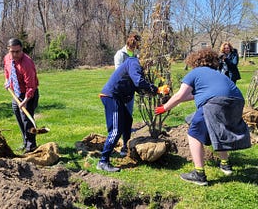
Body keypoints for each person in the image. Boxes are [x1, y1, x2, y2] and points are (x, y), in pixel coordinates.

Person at [155, 48, 251, 185]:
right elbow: (194, 95)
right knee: (218, 129)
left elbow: (180, 95)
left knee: (193, 133)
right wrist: (173, 101)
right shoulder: (217, 74)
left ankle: (199, 174)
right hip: (237, 102)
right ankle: (225, 164)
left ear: (195, 61)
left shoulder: (195, 73)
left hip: (215, 103)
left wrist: (164, 108)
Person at [97, 36, 158, 172]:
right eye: (149, 63)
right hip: (111, 96)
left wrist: (151, 92)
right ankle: (103, 161)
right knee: (116, 129)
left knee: (127, 121)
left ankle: (125, 147)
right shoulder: (133, 62)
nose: (149, 67)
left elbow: (136, 86)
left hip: (117, 97)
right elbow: (138, 82)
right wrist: (155, 88)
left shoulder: (136, 65)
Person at [4, 38, 40, 154]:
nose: (15, 54)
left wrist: (25, 100)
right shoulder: (7, 58)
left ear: (22, 50)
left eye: (18, 51)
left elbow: (31, 86)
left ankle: (31, 147)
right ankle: (25, 142)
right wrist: (7, 81)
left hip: (28, 94)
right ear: (8, 50)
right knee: (19, 118)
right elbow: (7, 71)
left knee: (27, 120)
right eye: (12, 51)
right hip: (15, 93)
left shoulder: (27, 63)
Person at [113, 33, 142, 157]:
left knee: (128, 116)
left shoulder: (136, 55)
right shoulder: (120, 54)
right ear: (129, 44)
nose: (134, 49)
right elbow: (119, 73)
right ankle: (115, 141)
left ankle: (126, 144)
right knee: (120, 117)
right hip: (121, 90)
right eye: (134, 46)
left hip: (130, 90)